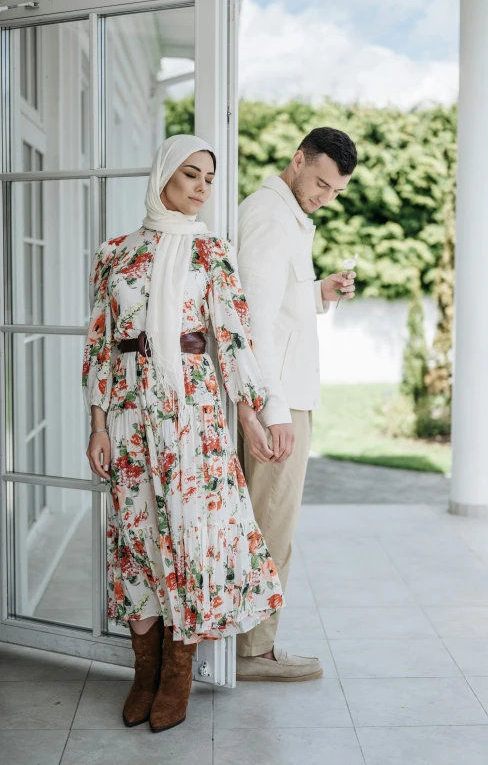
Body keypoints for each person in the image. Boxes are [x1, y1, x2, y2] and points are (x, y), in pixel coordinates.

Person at [82, 134, 284, 733]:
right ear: (164, 175)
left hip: (193, 418)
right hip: (127, 416)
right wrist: (97, 424)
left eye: (209, 178)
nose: (200, 187)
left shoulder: (212, 254)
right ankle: (143, 673)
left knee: (192, 541)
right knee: (137, 540)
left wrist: (252, 414)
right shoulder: (115, 253)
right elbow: (98, 343)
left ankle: (178, 675)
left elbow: (234, 342)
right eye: (191, 174)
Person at [235, 126, 357, 681]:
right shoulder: (267, 215)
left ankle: (243, 644)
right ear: (297, 159)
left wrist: (318, 293)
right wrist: (274, 410)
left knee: (267, 526)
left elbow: (276, 301)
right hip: (275, 401)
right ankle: (252, 652)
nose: (325, 197)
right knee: (270, 530)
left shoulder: (287, 214)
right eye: (320, 183)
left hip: (278, 394)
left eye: (335, 191)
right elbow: (252, 322)